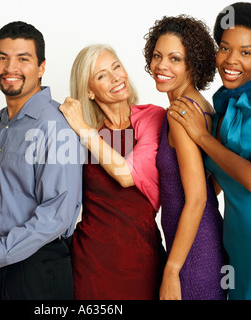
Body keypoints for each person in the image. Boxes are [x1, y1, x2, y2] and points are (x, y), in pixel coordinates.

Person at [169, 2, 251, 300]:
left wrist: (202, 138)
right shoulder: (220, 108)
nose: (231, 60)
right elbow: (215, 183)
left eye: (246, 52)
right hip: (237, 246)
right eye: (225, 48)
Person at [0, 21, 82, 300]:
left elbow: (57, 215)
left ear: (41, 67)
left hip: (36, 268)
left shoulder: (55, 125)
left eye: (23, 59)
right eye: (2, 58)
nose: (11, 68)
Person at [59, 44, 166, 299]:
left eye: (116, 67)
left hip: (143, 263)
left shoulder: (154, 117)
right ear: (89, 91)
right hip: (90, 265)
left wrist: (84, 128)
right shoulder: (78, 134)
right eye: (101, 75)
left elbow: (127, 175)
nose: (116, 77)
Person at [143, 15, 227, 300]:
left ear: (193, 64)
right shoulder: (201, 107)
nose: (161, 66)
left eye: (175, 59)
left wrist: (172, 269)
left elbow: (198, 198)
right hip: (204, 241)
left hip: (194, 255)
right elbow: (212, 181)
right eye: (157, 56)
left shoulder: (181, 114)